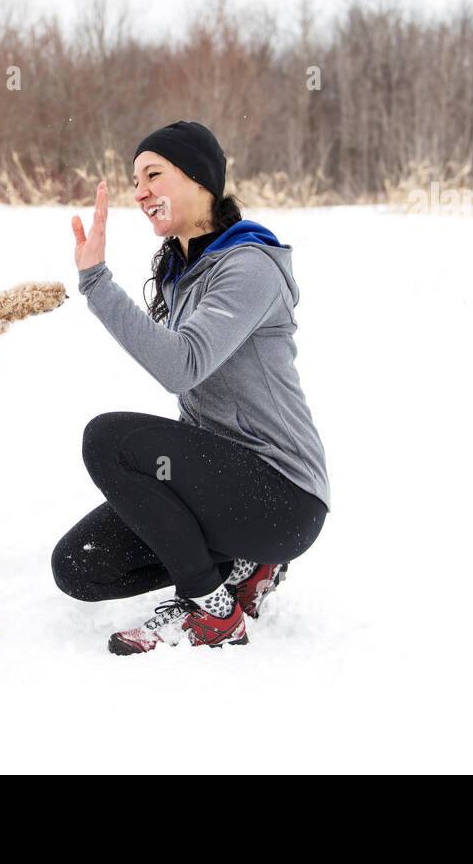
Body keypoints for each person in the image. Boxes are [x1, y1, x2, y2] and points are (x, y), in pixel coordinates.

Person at [54, 120, 331, 655]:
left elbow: (182, 368)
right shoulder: (182, 272)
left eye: (153, 174)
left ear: (200, 180)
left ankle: (211, 609)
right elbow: (200, 404)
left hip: (284, 494)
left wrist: (96, 283)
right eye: (135, 180)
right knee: (80, 566)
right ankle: (244, 566)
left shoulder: (249, 266)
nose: (140, 192)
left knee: (107, 440)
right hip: (231, 490)